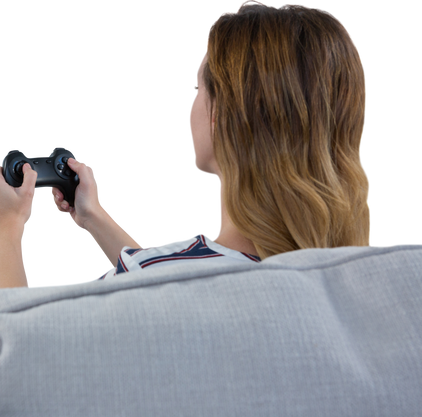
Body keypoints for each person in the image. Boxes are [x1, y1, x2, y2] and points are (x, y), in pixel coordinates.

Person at [49, 0, 372, 281]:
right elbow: (166, 284)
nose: (191, 106)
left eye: (196, 89)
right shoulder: (360, 281)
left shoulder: (169, 279)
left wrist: (6, 227)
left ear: (224, 113)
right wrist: (94, 216)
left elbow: (7, 336)